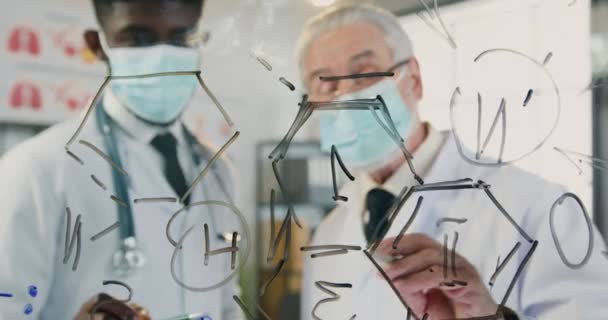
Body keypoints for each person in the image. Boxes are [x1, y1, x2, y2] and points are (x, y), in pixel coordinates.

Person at [296, 4, 608, 320]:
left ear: (414, 79)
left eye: (364, 75)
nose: (347, 96)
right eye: (327, 85)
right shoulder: (328, 235)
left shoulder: (539, 208)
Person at [0, 0, 243, 319]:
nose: (163, 55)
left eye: (181, 38)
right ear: (97, 44)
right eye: (139, 38)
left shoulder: (217, 172)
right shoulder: (38, 168)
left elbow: (227, 303)